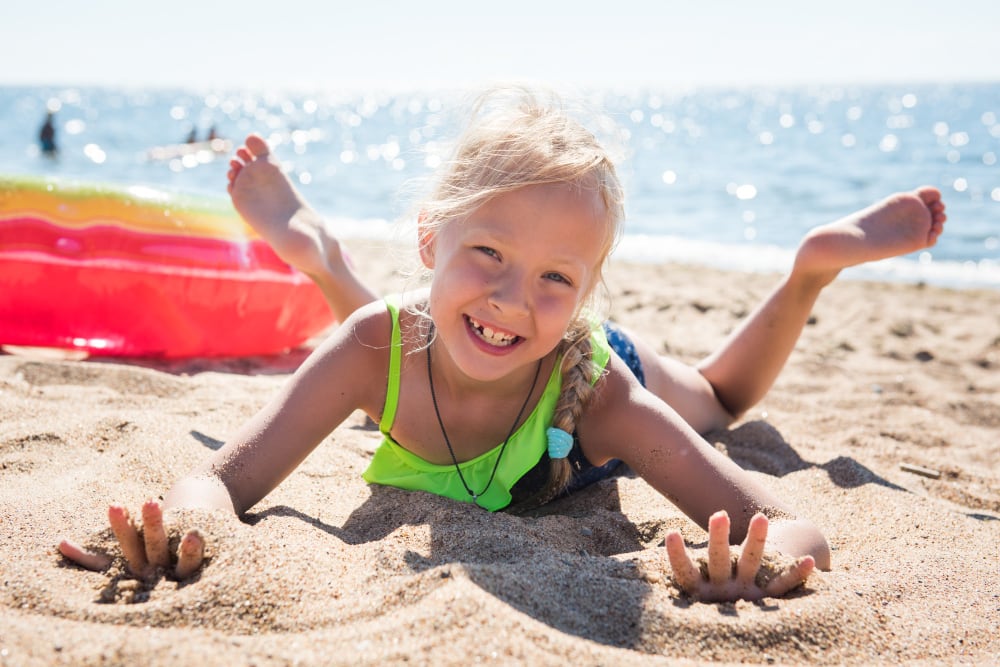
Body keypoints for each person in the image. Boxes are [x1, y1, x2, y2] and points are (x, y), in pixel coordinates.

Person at [59, 87, 947, 603]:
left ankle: (807, 271)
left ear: (587, 290)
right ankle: (322, 254)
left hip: (578, 384)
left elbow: (792, 525)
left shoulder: (604, 396)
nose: (517, 295)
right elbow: (219, 478)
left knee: (718, 402)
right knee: (404, 339)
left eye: (558, 275)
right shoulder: (378, 346)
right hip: (411, 339)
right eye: (487, 250)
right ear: (428, 239)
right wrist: (193, 523)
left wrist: (747, 560)